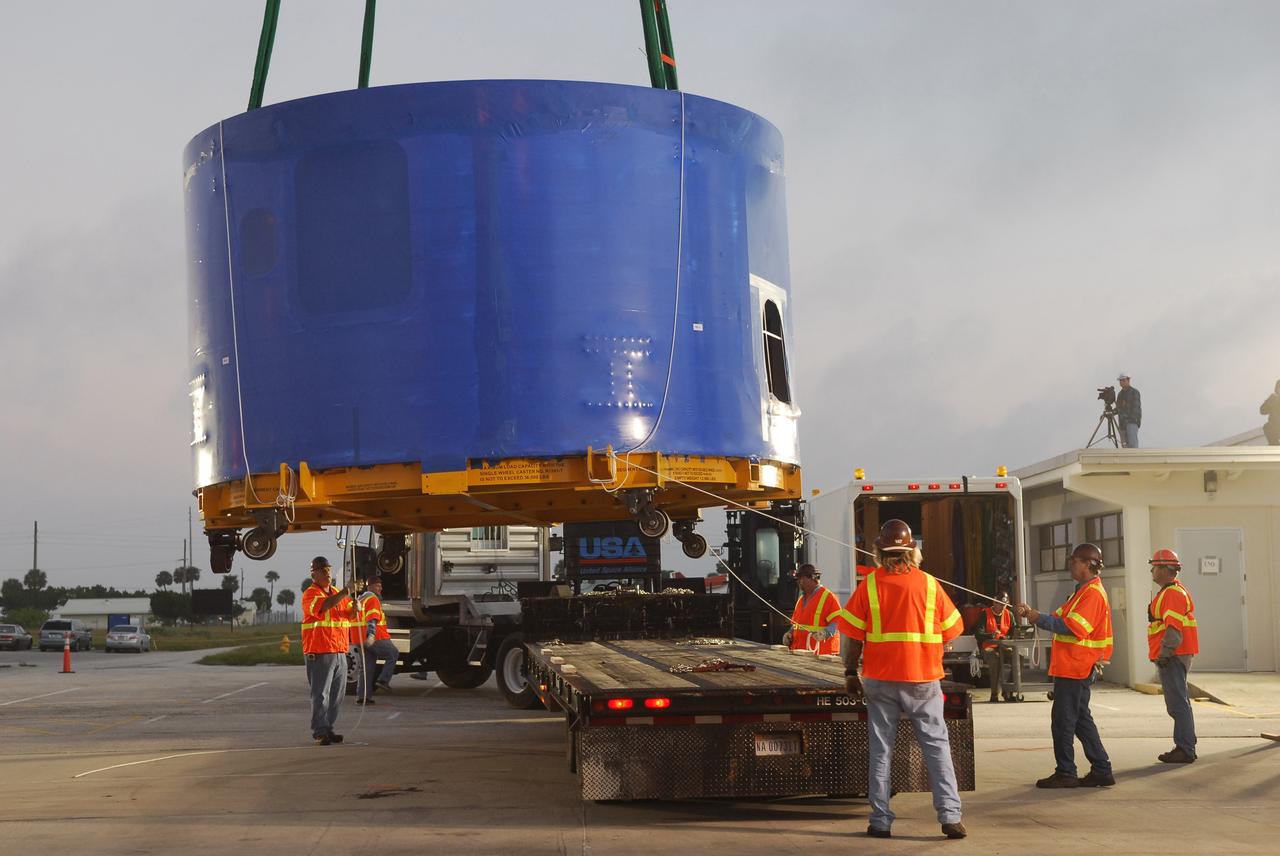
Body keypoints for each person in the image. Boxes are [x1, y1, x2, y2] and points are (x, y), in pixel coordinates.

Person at [835, 519, 967, 840]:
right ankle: (950, 817)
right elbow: (953, 629)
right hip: (923, 679)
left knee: (881, 751)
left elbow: (852, 637)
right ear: (913, 552)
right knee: (936, 747)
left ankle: (881, 821)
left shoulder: (868, 586)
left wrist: (851, 673)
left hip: (880, 679)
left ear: (879, 551)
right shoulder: (930, 585)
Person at [1016, 543, 1115, 789]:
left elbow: (1073, 627)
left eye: (1074, 561)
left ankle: (1066, 772)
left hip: (1075, 667)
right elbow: (1059, 618)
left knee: (1063, 721)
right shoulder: (1082, 592)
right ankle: (1102, 769)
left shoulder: (1091, 594)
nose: (1070, 564)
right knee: (1081, 719)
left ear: (1087, 564)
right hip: (1074, 666)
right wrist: (1033, 614)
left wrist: (1038, 618)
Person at [1147, 549, 1199, 763]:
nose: (1152, 570)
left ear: (1165, 569)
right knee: (1179, 701)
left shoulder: (1172, 594)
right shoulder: (1170, 592)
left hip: (1174, 654)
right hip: (1176, 653)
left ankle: (1185, 748)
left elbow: (1173, 628)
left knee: (1177, 703)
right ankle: (1186, 745)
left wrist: (1165, 653)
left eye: (1155, 566)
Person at [300, 556, 355, 745]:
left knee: (336, 695)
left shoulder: (337, 593)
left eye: (329, 570)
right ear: (314, 574)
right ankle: (319, 731)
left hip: (339, 651)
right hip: (320, 651)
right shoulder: (311, 594)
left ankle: (328, 728)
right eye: (323, 571)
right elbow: (325, 606)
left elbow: (350, 614)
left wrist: (355, 606)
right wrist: (346, 592)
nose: (328, 574)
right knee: (320, 694)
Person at [781, 563, 841, 655]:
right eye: (798, 579)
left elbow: (837, 622)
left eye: (802, 579)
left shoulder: (828, 597)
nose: (799, 582)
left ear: (813, 578)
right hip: (800, 652)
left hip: (820, 653)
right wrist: (789, 633)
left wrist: (825, 633)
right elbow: (796, 624)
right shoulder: (801, 600)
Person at [357, 576, 399, 704]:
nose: (380, 588)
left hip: (360, 638)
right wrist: (371, 635)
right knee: (393, 653)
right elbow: (372, 619)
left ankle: (363, 698)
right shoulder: (373, 599)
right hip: (376, 637)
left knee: (367, 669)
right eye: (377, 585)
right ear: (369, 586)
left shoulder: (360, 598)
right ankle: (383, 680)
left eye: (380, 585)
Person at [979, 590, 1012, 703]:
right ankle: (994, 694)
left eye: (1005, 604)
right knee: (995, 659)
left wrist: (1006, 639)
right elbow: (978, 634)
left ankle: (1009, 691)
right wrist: (991, 635)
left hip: (1004, 646)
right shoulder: (985, 613)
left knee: (1018, 657)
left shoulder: (1009, 614)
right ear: (994, 602)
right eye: (1000, 604)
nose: (1003, 607)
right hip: (989, 647)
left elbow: (1014, 632)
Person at [1116, 373, 1141, 448]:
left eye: (1123, 380)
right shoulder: (1120, 394)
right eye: (1120, 380)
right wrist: (1109, 412)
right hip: (1122, 424)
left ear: (1128, 380)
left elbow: (1135, 409)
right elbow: (1118, 408)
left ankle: (1135, 460)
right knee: (1125, 447)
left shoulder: (1134, 392)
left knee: (1132, 446)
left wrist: (1128, 418)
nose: (1122, 382)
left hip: (1131, 423)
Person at [1260, 380, 1280, 445]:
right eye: (1279, 387)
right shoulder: (1273, 399)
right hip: (1275, 426)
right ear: (1276, 389)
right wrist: (1271, 400)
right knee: (1267, 427)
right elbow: (1262, 411)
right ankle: (1274, 445)